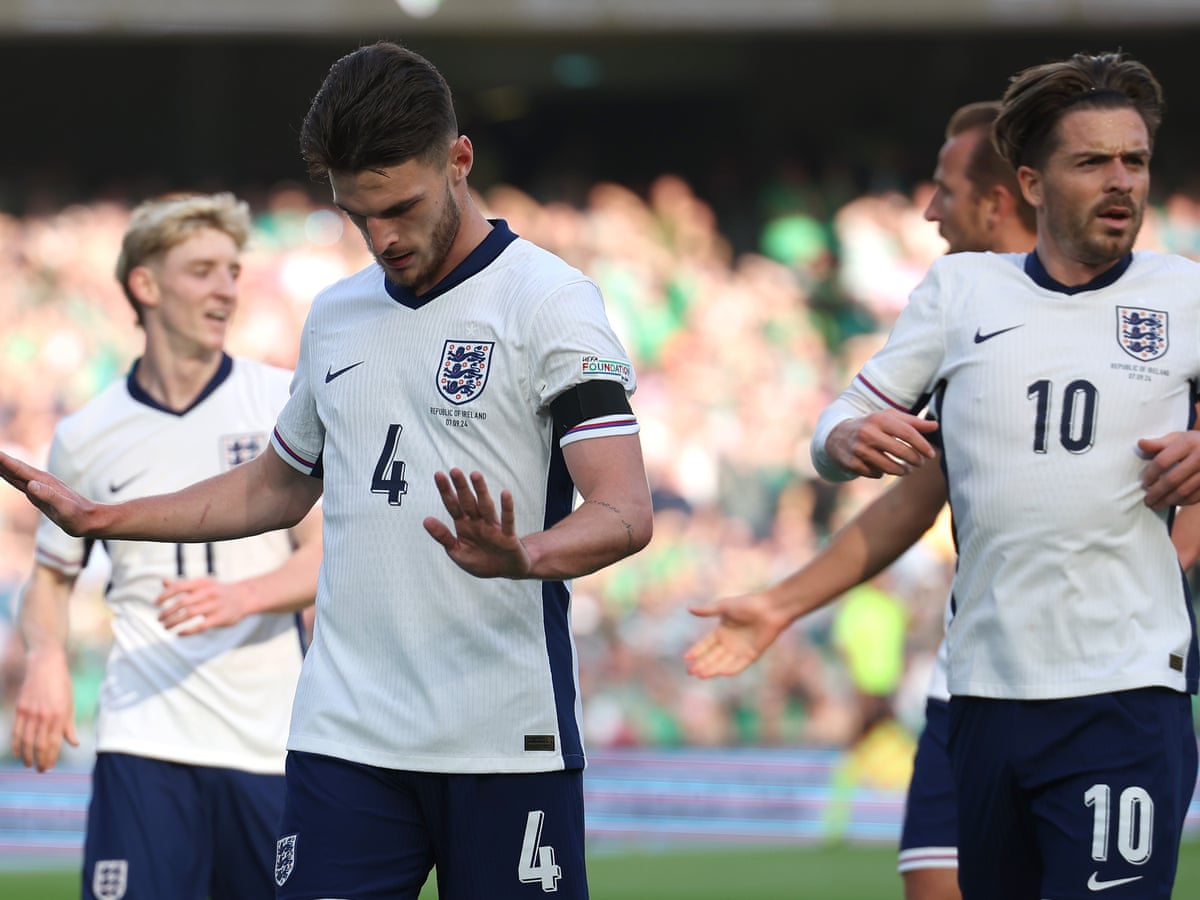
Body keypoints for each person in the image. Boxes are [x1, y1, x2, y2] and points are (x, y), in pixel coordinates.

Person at [0, 42, 653, 900]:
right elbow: (274, 486)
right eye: (357, 216)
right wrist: (102, 519)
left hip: (503, 736)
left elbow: (625, 509)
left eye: (402, 208)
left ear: (460, 160)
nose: (382, 237)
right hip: (344, 738)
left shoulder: (549, 301)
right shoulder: (337, 317)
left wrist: (523, 555)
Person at [809, 51, 1200, 899]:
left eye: (1134, 160)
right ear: (1030, 181)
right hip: (985, 699)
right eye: (1092, 162)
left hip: (1123, 695)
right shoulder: (960, 291)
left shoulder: (1185, 295)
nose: (1120, 181)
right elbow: (836, 418)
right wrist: (849, 440)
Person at [685, 100, 1037, 900]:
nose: (928, 207)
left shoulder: (1144, 309)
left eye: (945, 187)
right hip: (971, 686)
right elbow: (908, 496)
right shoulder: (957, 303)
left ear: (1002, 197)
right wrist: (779, 602)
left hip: (1096, 690)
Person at [9, 192, 323, 899]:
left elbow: (325, 553)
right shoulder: (89, 433)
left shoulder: (280, 400)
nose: (227, 289)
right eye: (204, 270)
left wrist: (241, 595)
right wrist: (47, 658)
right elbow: (53, 580)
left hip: (266, 741)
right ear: (145, 285)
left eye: (234, 271)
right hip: (143, 738)